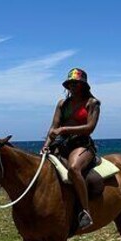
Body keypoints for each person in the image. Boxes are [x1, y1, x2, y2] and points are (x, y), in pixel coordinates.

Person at [42, 68, 101, 231]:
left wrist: (64, 130)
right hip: (61, 144)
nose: (72, 87)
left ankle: (85, 211)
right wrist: (46, 145)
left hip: (82, 144)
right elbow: (53, 127)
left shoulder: (92, 103)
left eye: (76, 83)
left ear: (84, 85)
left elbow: (90, 128)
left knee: (74, 169)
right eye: (70, 84)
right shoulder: (62, 104)